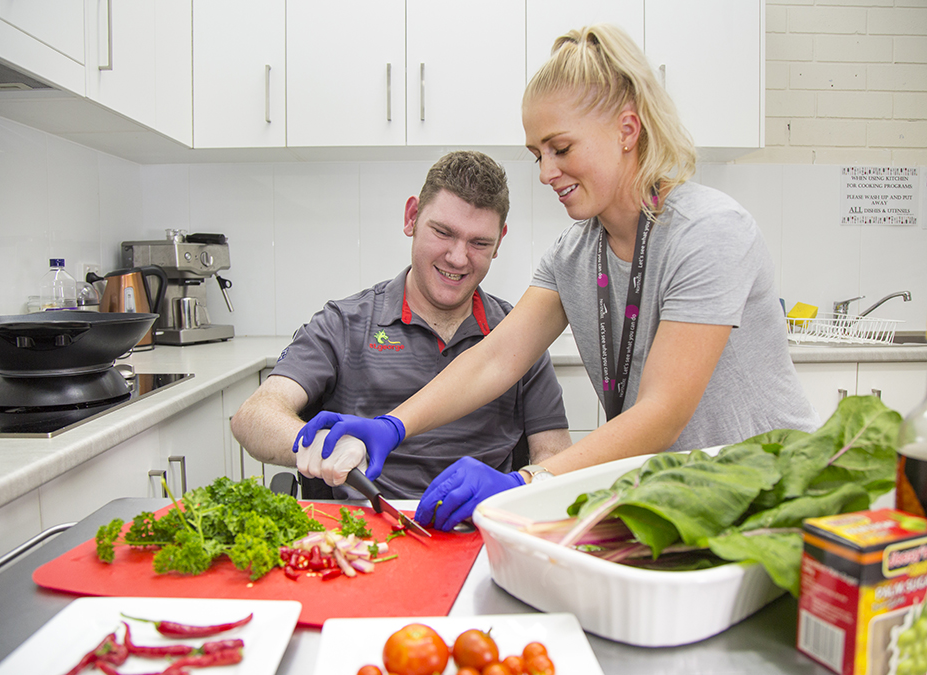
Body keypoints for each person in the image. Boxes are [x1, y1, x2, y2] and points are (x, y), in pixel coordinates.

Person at [294, 23, 821, 530]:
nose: (545, 172)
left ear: (627, 130)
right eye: (537, 154)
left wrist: (525, 480)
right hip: (686, 497)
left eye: (561, 148)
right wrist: (393, 425)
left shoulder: (707, 232)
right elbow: (496, 357)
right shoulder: (575, 254)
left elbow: (663, 412)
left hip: (774, 494)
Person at [231, 150, 571, 499]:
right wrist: (318, 444)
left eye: (479, 242)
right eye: (443, 232)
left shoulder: (519, 336)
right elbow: (253, 416)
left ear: (499, 241)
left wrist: (520, 486)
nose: (458, 257)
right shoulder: (345, 325)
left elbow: (554, 453)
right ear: (412, 218)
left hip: (479, 526)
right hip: (367, 530)